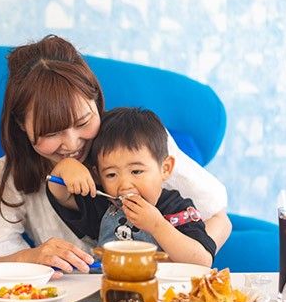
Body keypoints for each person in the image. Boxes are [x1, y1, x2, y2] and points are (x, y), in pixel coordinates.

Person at [0, 34, 231, 273]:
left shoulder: (139, 144)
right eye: (51, 132)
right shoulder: (6, 175)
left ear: (97, 101)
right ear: (22, 126)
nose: (71, 143)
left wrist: (169, 260)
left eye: (83, 122)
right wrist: (33, 257)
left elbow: (218, 218)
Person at [47, 107, 215, 266]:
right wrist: (66, 166)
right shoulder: (104, 205)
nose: (125, 185)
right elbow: (60, 194)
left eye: (136, 171)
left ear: (165, 168)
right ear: (98, 176)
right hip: (109, 289)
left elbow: (202, 261)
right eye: (111, 174)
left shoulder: (178, 208)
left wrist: (157, 225)